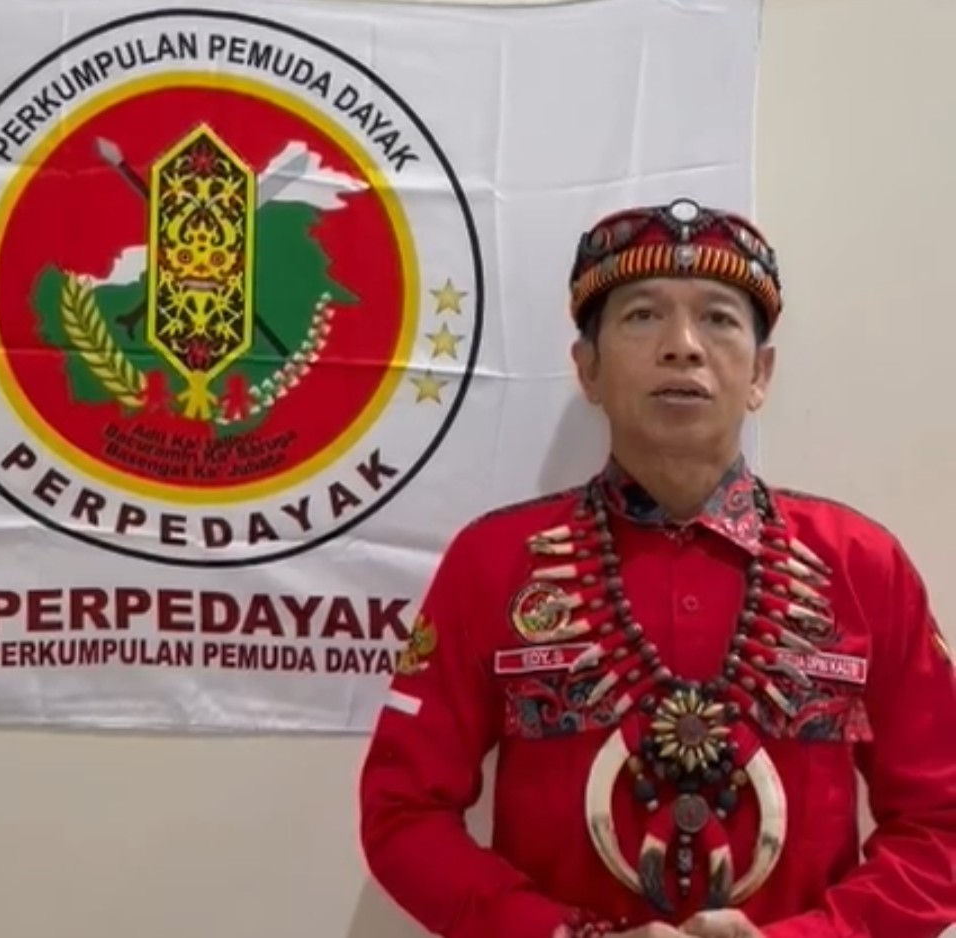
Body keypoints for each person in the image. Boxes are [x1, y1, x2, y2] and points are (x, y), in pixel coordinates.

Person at [357, 198, 956, 938]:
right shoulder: (496, 565)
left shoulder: (862, 568)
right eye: (642, 316)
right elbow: (403, 814)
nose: (682, 346)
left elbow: (941, 821)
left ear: (761, 373)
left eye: (719, 319)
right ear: (588, 369)